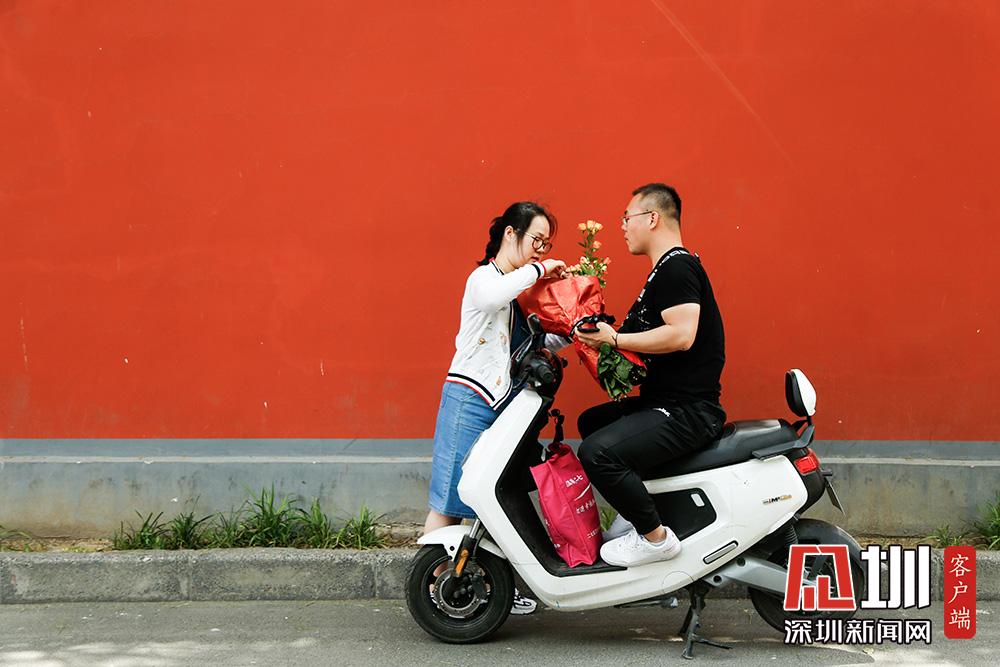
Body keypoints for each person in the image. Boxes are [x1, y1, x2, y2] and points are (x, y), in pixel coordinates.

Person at [424, 201, 567, 614]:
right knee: (448, 505)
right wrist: (541, 270)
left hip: (503, 406)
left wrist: (573, 330)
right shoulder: (485, 280)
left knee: (491, 502)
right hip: (469, 399)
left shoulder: (517, 295)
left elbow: (532, 345)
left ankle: (493, 588)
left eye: (546, 244)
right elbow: (491, 299)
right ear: (510, 233)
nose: (540, 250)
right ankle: (433, 590)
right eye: (536, 240)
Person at [575, 183, 726, 568]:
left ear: (653, 218)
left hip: (688, 411)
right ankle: (643, 509)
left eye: (627, 217)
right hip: (666, 401)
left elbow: (682, 335)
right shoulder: (665, 271)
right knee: (592, 422)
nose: (623, 226)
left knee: (597, 453)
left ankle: (655, 539)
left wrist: (615, 338)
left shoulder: (677, 267)